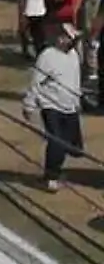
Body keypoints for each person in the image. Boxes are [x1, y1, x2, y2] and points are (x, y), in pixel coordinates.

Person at [21, 22, 85, 191]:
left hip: (70, 106)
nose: (71, 41)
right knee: (57, 142)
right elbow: (35, 82)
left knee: (74, 147)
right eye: (69, 38)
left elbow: (75, 80)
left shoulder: (74, 56)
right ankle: (50, 177)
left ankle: (55, 171)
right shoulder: (47, 56)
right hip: (51, 105)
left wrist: (77, 102)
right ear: (61, 38)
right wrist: (29, 105)